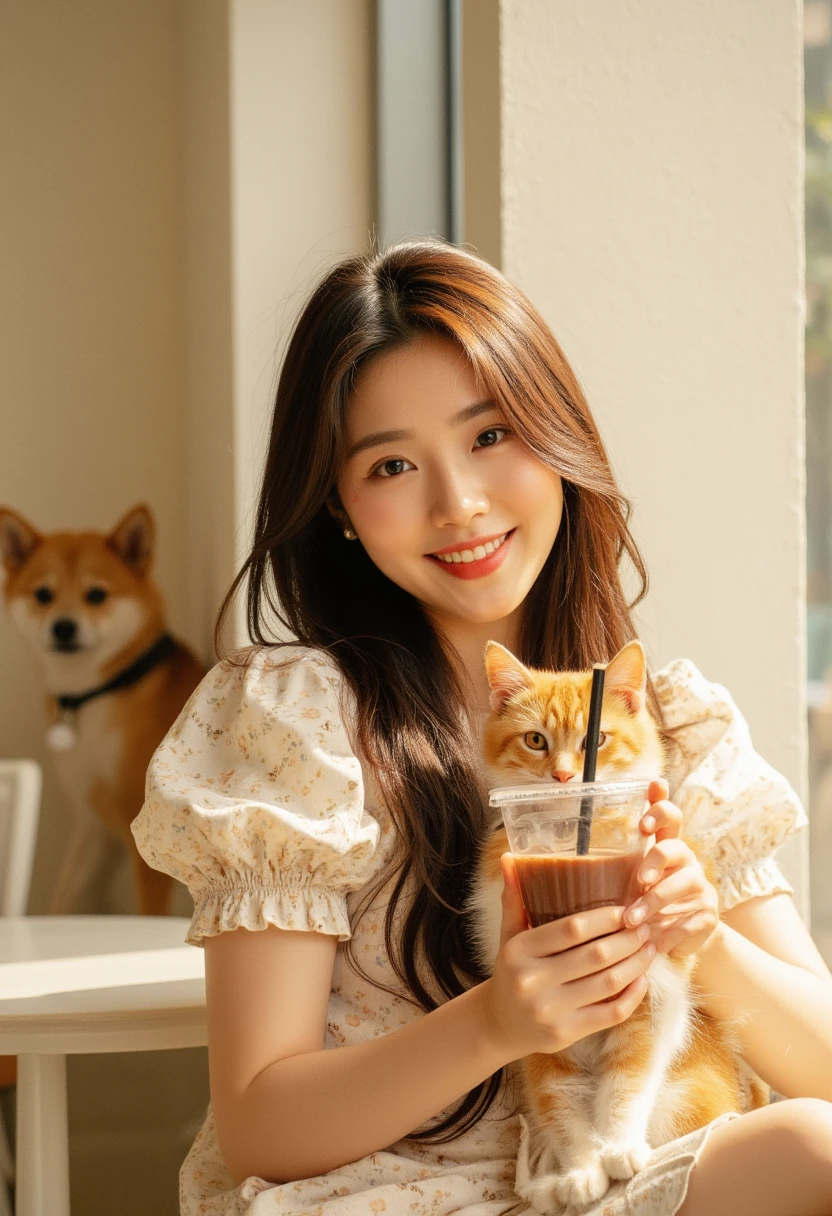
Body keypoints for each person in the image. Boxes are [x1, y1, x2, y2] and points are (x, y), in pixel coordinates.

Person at [132, 241, 832, 1216]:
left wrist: (698, 937)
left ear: (556, 434)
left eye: (490, 435)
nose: (456, 503)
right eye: (391, 463)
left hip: (635, 1172)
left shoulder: (665, 724)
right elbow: (257, 1124)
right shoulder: (300, 723)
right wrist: (498, 1018)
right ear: (337, 502)